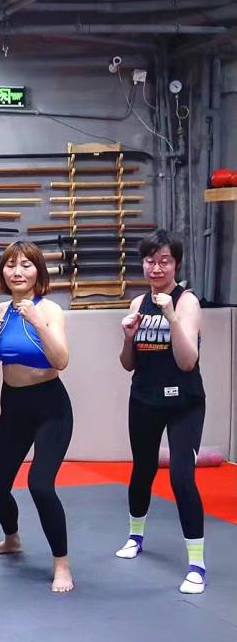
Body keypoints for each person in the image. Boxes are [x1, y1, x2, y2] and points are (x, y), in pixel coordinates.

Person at [0, 242, 74, 593]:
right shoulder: (0, 310)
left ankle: (61, 564)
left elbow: (61, 360)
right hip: (14, 406)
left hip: (50, 407)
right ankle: (11, 539)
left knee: (40, 485)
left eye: (26, 265)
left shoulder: (50, 309)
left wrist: (37, 322)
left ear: (38, 272)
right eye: (10, 265)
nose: (17, 272)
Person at [118, 229, 207, 594]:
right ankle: (135, 536)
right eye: (151, 261)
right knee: (142, 469)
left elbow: (187, 362)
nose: (157, 268)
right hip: (144, 399)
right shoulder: (138, 303)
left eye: (165, 261)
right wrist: (128, 338)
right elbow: (128, 363)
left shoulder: (187, 302)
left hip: (184, 403)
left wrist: (171, 317)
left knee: (182, 477)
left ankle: (197, 564)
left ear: (176, 264)